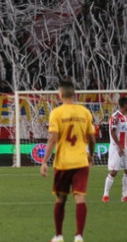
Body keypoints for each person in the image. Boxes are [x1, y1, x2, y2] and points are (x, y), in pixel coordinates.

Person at [39, 80, 96, 242]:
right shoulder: (84, 112)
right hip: (81, 161)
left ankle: (58, 236)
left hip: (63, 162)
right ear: (74, 94)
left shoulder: (57, 113)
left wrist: (44, 161)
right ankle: (79, 236)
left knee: (60, 198)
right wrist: (90, 154)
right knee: (80, 198)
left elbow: (52, 138)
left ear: (61, 94)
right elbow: (91, 139)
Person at [102, 96, 127, 203]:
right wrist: (120, 147)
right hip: (117, 148)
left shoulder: (125, 117)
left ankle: (125, 196)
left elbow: (125, 134)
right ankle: (105, 195)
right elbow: (112, 131)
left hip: (125, 148)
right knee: (114, 171)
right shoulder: (116, 116)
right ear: (125, 105)